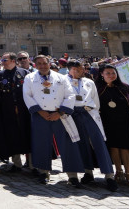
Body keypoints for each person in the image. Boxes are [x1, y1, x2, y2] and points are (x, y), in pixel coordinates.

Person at [22, 54, 84, 186]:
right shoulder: (29, 78)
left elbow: (70, 95)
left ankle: (72, 175)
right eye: (39, 64)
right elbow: (27, 95)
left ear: (49, 63)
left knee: (67, 143)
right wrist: (40, 111)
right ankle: (43, 172)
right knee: (41, 143)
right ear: (35, 65)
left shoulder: (61, 78)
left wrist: (60, 112)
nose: (42, 66)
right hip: (40, 115)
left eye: (44, 63)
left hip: (60, 114)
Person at [66, 60, 117, 191]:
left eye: (81, 69)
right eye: (76, 69)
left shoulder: (89, 82)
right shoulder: (63, 82)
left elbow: (95, 100)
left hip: (89, 113)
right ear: (70, 69)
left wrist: (93, 110)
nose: (79, 71)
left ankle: (109, 176)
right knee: (81, 144)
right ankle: (88, 172)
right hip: (73, 115)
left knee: (98, 143)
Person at [0, 52, 30, 173]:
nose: (2, 62)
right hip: (8, 112)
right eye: (2, 60)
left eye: (5, 60)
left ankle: (32, 164)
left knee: (28, 135)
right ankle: (17, 163)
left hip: (25, 111)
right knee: (12, 136)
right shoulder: (0, 76)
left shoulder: (25, 73)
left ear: (13, 61)